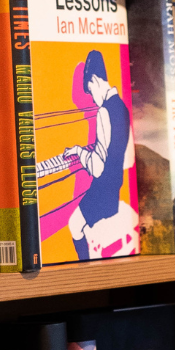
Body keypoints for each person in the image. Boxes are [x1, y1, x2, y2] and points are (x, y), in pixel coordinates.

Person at [64, 50, 132, 261]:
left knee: (74, 224)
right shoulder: (122, 107)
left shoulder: (103, 112)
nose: (92, 98)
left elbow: (97, 168)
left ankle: (85, 266)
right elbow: (119, 153)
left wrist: (79, 153)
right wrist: (82, 150)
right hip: (116, 188)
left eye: (90, 91)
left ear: (94, 80)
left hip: (102, 191)